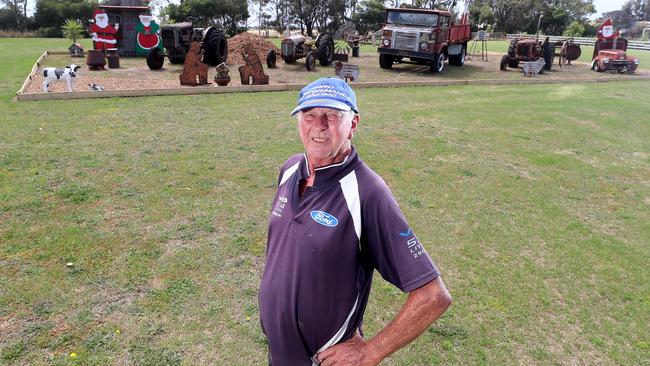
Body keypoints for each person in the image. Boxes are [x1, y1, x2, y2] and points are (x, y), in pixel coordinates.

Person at [258, 78, 452, 366]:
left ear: (354, 124)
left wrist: (370, 351)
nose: (319, 125)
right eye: (309, 115)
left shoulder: (367, 192)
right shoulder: (289, 170)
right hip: (281, 355)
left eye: (332, 116)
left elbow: (433, 295)